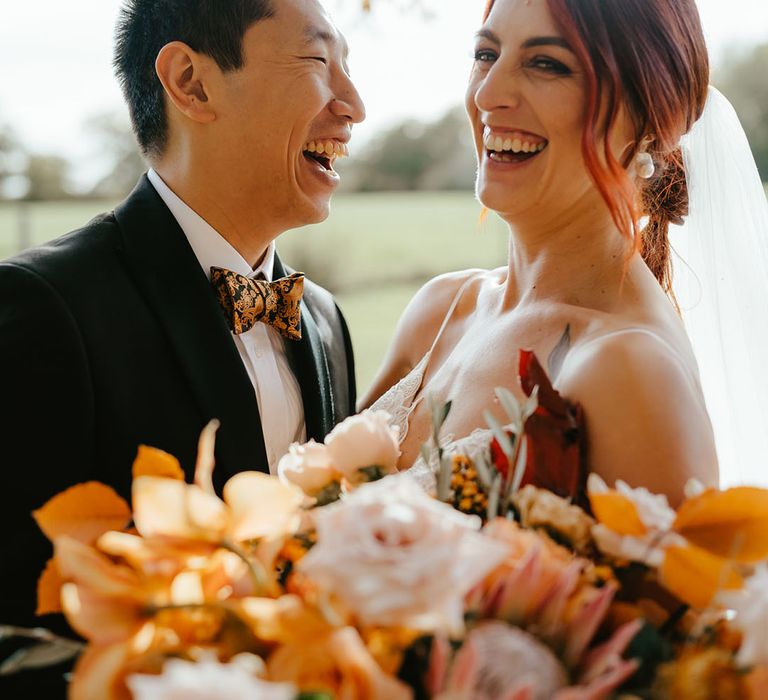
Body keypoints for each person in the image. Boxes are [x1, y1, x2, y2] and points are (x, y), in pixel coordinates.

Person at [0, 0, 364, 674]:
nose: (354, 106)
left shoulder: (325, 323)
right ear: (191, 83)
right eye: (319, 62)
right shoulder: (42, 308)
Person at [364, 0, 722, 504]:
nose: (488, 95)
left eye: (546, 64)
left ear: (649, 115)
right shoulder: (441, 311)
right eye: (486, 54)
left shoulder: (632, 373)